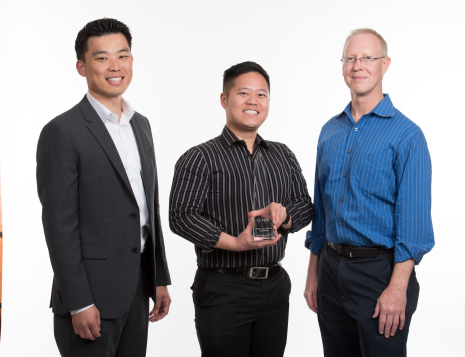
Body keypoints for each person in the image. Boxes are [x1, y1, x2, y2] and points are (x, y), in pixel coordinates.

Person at [36, 18, 171, 357]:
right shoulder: (62, 132)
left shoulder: (141, 125)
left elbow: (147, 206)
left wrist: (158, 275)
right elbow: (59, 226)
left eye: (122, 56)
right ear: (82, 67)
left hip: (137, 289)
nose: (115, 66)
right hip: (90, 297)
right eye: (102, 57)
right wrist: (78, 302)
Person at [304, 28, 434, 357]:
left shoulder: (407, 135)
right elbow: (322, 212)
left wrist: (398, 287)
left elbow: (414, 224)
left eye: (367, 58)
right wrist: (313, 273)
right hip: (330, 270)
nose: (357, 65)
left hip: (380, 274)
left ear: (384, 65)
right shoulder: (329, 131)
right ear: (343, 66)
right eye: (350, 58)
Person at [169, 61, 313, 357]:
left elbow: (305, 205)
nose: (253, 101)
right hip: (223, 287)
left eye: (261, 95)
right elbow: (182, 217)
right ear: (224, 99)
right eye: (243, 93)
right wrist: (235, 243)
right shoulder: (199, 157)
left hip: (274, 285)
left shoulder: (282, 154)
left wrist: (285, 218)